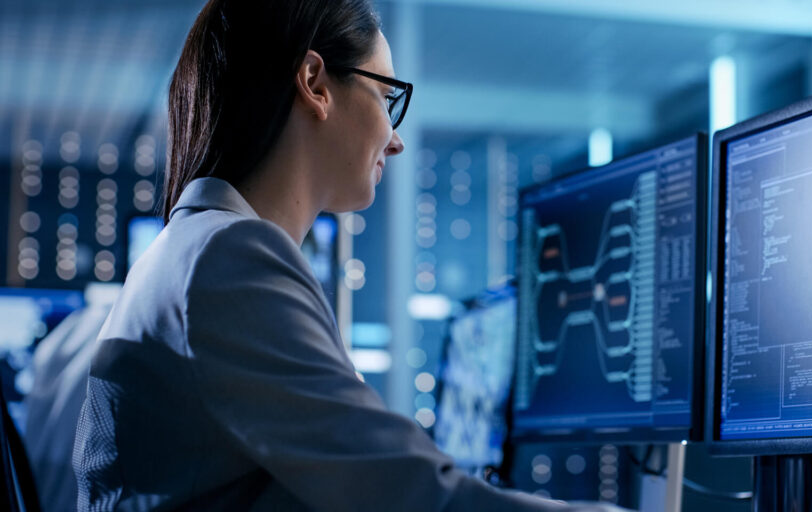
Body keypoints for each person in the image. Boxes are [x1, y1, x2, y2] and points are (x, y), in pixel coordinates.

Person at [71, 0, 623, 511]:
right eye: (387, 99)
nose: (396, 139)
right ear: (315, 83)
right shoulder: (230, 256)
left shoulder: (193, 250)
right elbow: (410, 495)